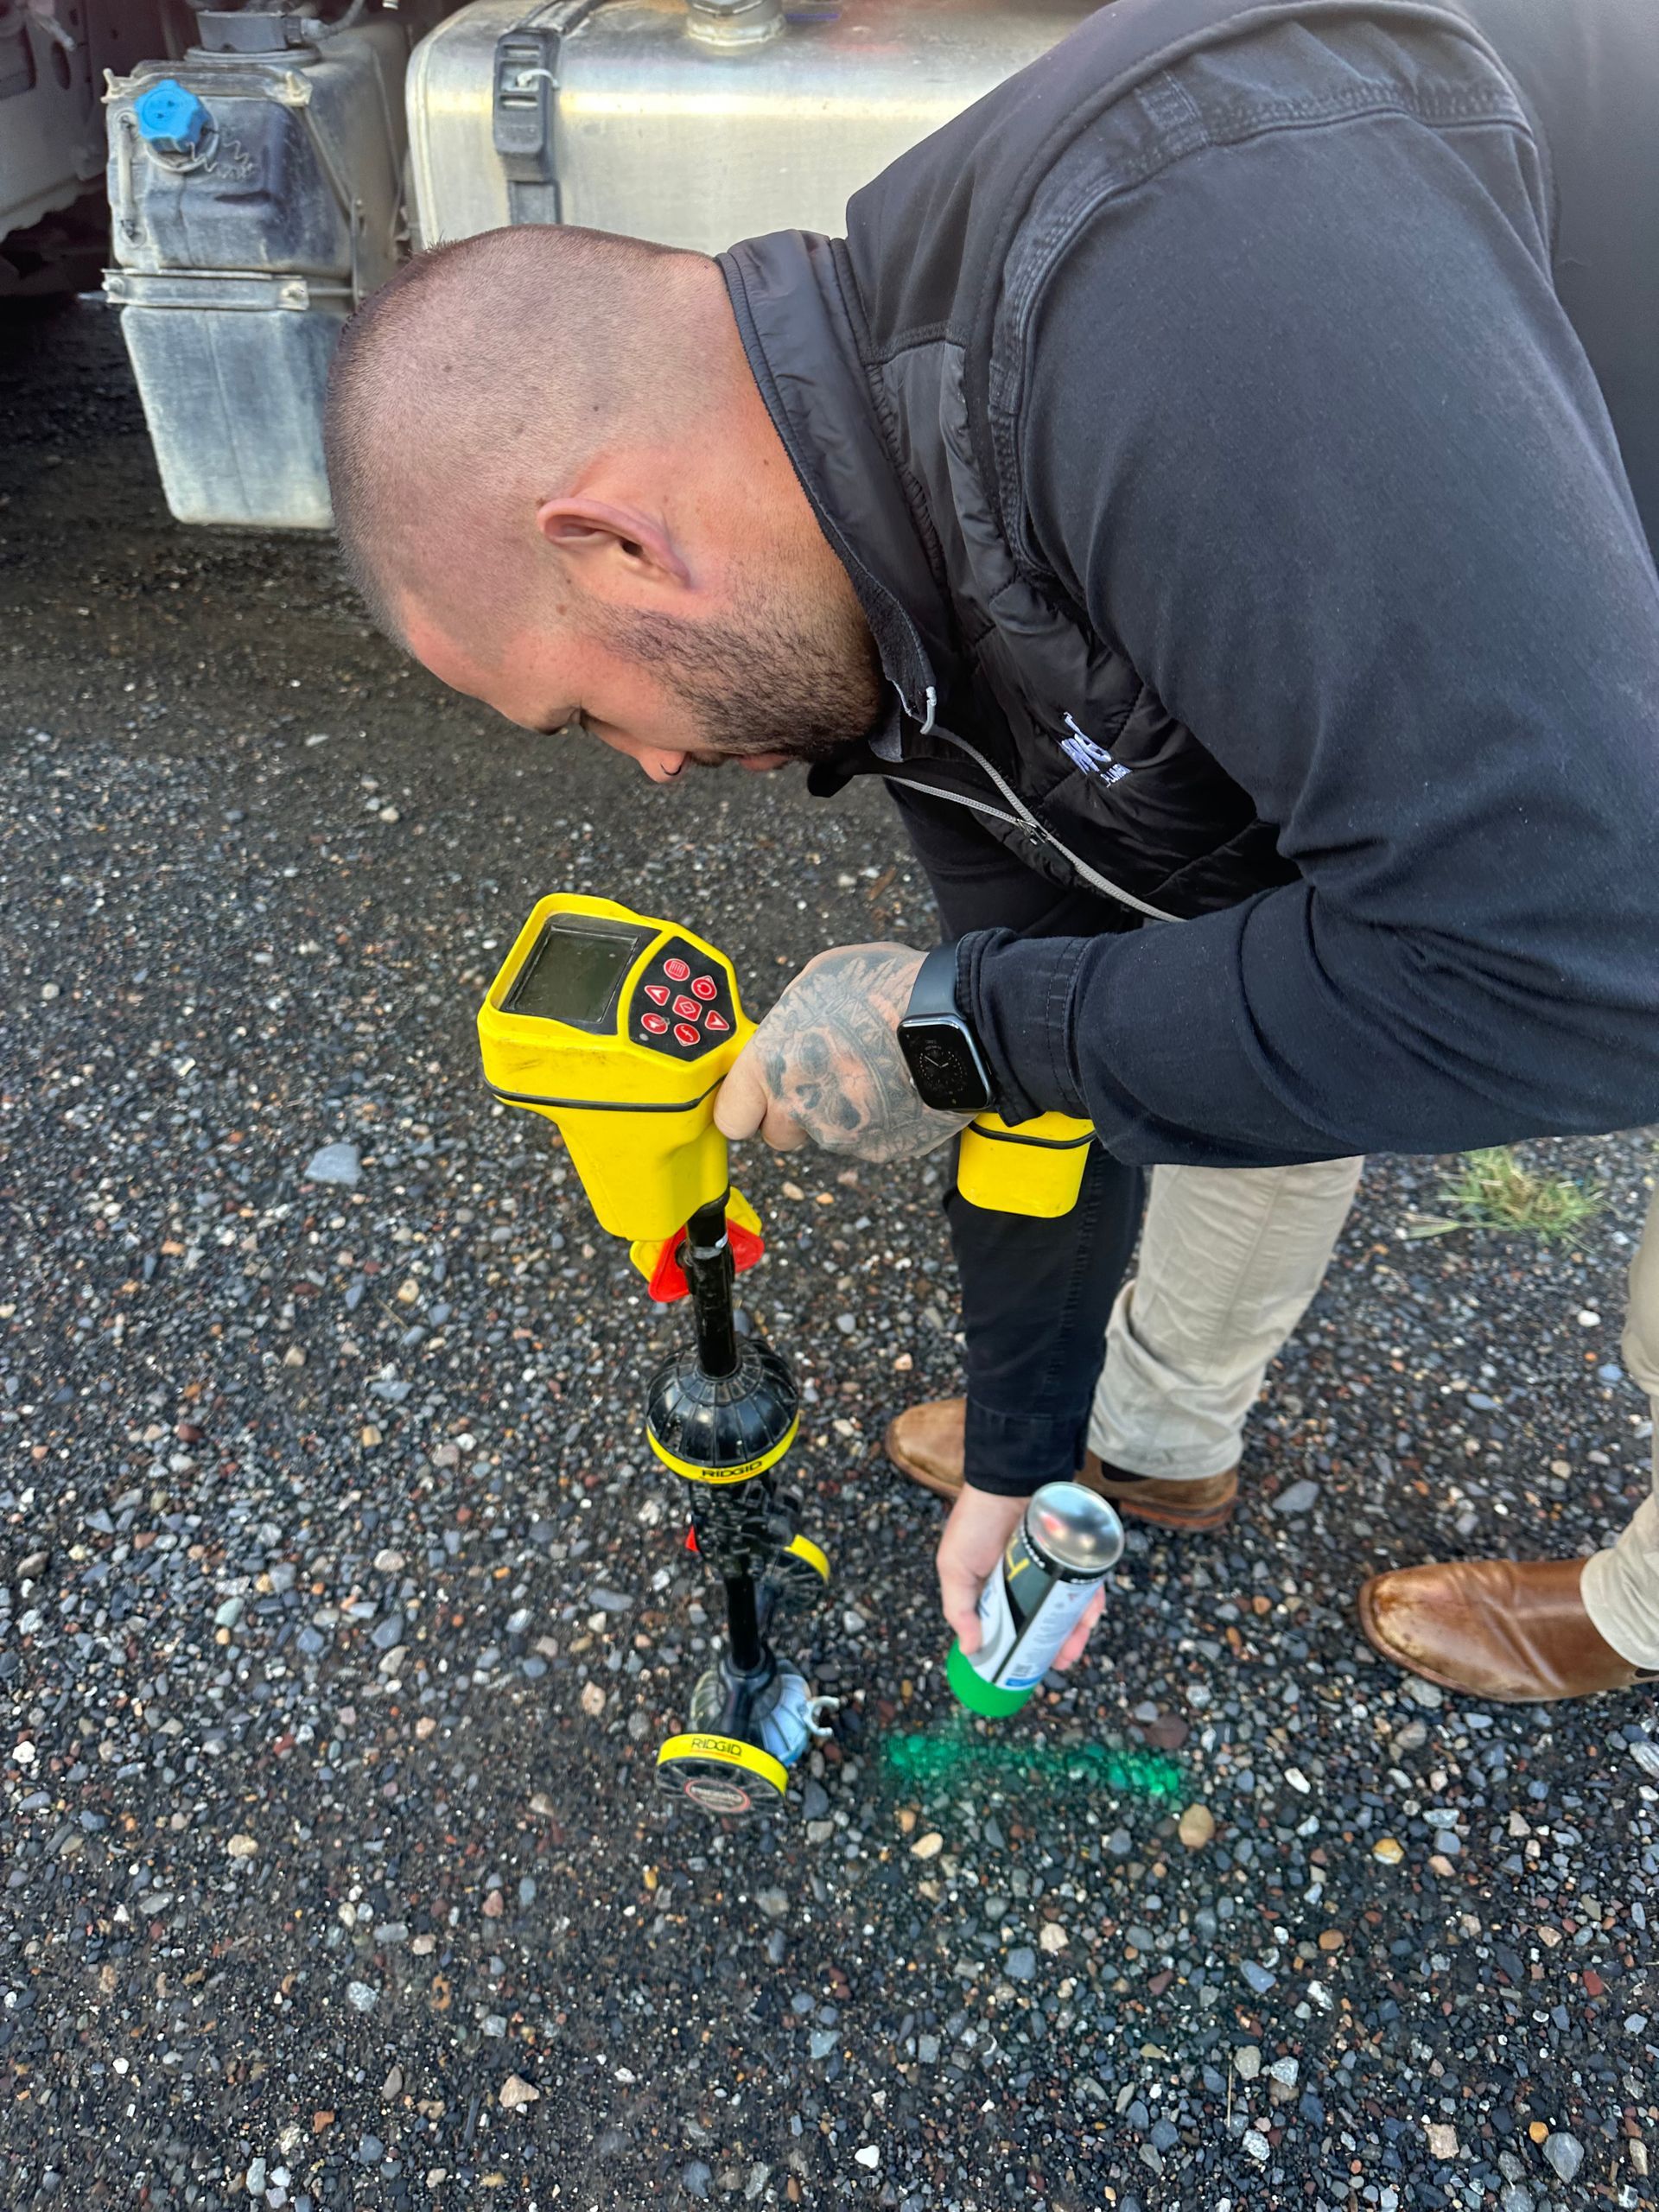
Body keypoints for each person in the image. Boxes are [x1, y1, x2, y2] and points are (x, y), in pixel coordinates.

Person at [321, 0, 1659, 1703]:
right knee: (1240, 986)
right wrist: (1025, 1449)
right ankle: (1144, 1439)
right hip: (1545, 676)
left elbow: (1592, 961)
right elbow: (1045, 1024)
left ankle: (1640, 1608)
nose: (652, 768)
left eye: (587, 714)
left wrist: (968, 1024)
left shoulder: (1185, 281)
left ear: (624, 546)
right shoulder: (895, 557)